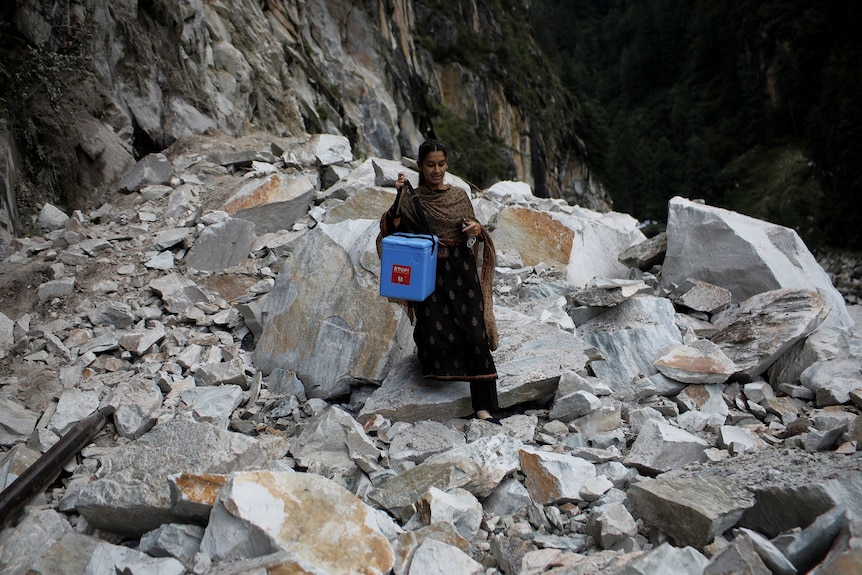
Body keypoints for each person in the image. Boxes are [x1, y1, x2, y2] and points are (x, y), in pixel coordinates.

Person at [377, 139, 501, 424]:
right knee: (434, 330)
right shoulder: (411, 199)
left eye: (442, 164)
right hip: (429, 275)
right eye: (430, 165)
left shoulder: (458, 195)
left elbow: (473, 228)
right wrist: (398, 197)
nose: (437, 170)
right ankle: (436, 380)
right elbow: (390, 229)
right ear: (420, 166)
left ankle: (484, 407)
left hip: (461, 272)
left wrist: (476, 228)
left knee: (475, 333)